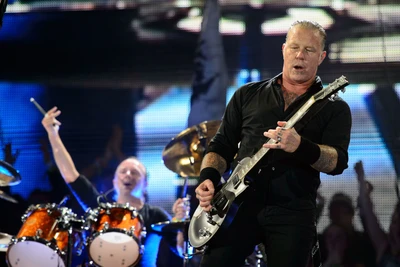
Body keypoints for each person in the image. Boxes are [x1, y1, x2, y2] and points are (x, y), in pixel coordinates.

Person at [194, 20, 352, 267]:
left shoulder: (334, 108)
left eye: (309, 50)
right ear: (283, 50)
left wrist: (300, 146)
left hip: (293, 211)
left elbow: (337, 162)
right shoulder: (247, 95)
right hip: (238, 206)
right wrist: (207, 177)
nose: (300, 54)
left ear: (321, 56)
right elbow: (221, 146)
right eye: (294, 47)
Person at [42, 106, 189, 267]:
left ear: (145, 184)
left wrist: (179, 221)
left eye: (135, 172)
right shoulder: (100, 209)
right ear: (114, 181)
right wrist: (53, 134)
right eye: (123, 171)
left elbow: (181, 250)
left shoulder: (155, 215)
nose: (128, 175)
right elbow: (70, 175)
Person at [355, 160, 400, 267]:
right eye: (394, 222)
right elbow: (368, 213)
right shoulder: (384, 247)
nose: (396, 227)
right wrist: (361, 178)